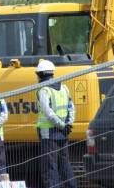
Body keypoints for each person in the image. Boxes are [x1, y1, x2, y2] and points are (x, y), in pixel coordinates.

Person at [35, 60, 77, 188]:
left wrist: (62, 125)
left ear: (40, 74)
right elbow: (71, 107)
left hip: (49, 133)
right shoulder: (64, 88)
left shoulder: (44, 90)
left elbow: (48, 112)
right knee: (65, 164)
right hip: (63, 133)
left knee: (50, 167)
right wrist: (68, 124)